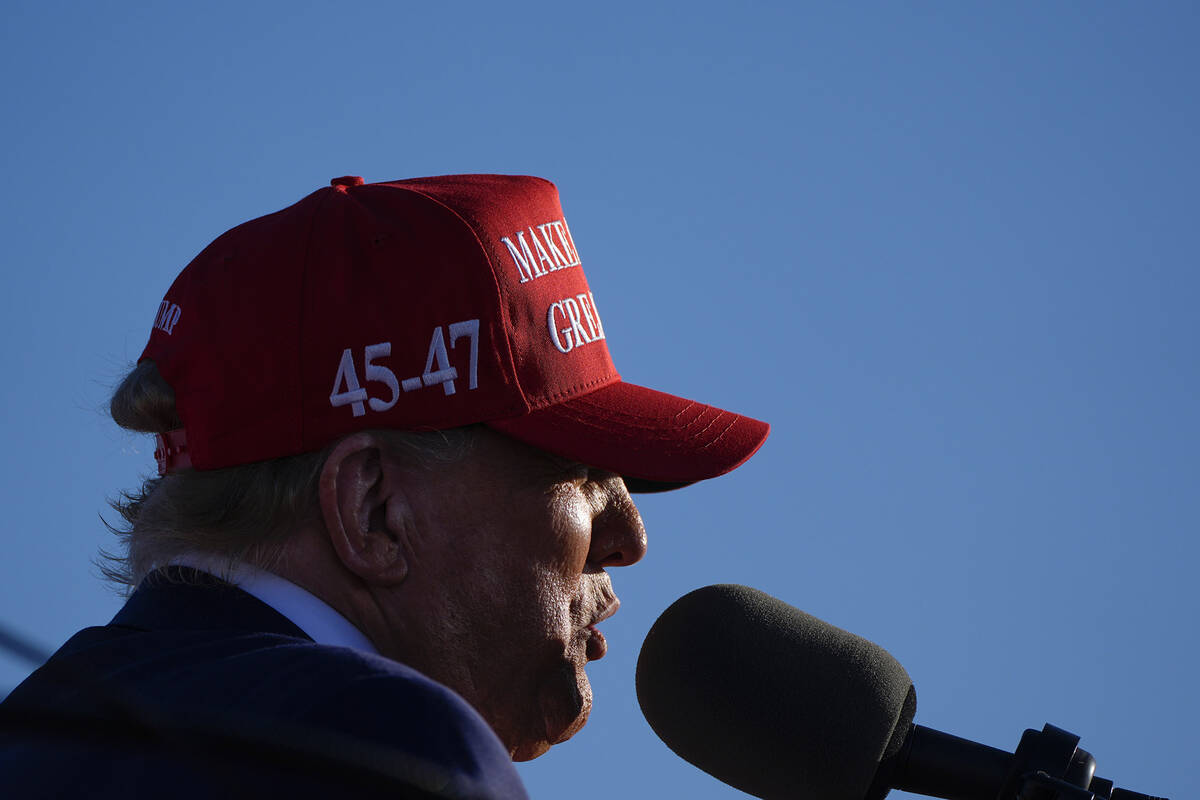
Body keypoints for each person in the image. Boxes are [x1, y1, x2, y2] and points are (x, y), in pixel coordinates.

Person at [0, 174, 769, 798]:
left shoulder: (32, 732)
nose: (630, 537)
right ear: (374, 510)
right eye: (579, 473)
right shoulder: (383, 745)